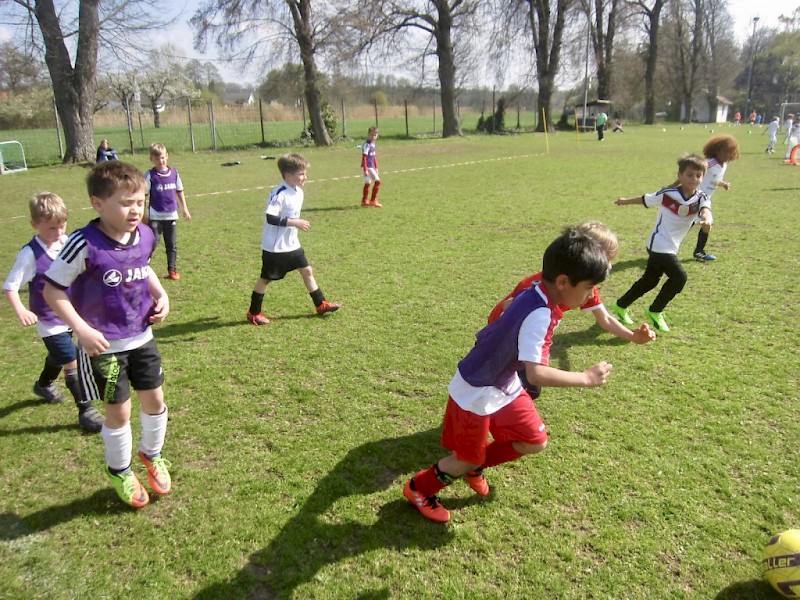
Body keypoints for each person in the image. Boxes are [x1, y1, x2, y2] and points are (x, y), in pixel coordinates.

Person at [403, 226, 614, 523]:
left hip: (503, 384)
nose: (591, 295)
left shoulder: (536, 291)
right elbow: (536, 374)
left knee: (534, 440)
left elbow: (503, 313)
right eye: (589, 287)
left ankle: (473, 466)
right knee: (465, 458)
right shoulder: (541, 314)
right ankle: (419, 488)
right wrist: (585, 378)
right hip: (478, 391)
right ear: (564, 282)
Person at [43, 161, 173, 509]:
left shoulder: (145, 234)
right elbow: (52, 291)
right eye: (126, 203)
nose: (135, 210)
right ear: (97, 204)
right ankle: (120, 470)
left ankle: (152, 454)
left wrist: (160, 293)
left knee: (155, 401)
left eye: (140, 202)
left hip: (142, 338)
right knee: (120, 413)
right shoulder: (83, 244)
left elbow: (144, 267)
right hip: (104, 348)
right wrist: (82, 330)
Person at [487, 222, 655, 398]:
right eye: (607, 259)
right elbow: (509, 308)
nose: (610, 266)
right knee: (518, 386)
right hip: (503, 336)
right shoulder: (539, 288)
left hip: (528, 336)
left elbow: (604, 319)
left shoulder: (583, 286)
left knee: (530, 389)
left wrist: (633, 336)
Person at [3, 193, 104, 432]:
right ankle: (86, 410)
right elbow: (10, 286)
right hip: (49, 321)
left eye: (62, 226)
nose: (58, 233)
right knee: (72, 360)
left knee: (58, 355)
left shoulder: (66, 243)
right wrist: (21, 310)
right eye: (52, 228)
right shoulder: (30, 254)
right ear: (35, 224)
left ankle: (43, 384)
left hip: (71, 315)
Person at [610, 154, 711, 333]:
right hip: (658, 243)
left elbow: (706, 210)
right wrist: (625, 201)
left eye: (698, 175)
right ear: (680, 175)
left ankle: (620, 305)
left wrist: (707, 219)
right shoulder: (668, 194)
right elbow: (645, 199)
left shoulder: (701, 197)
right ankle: (655, 310)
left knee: (649, 281)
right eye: (689, 175)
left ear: (703, 177)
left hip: (671, 246)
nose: (694, 179)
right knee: (679, 278)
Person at [247, 153, 341, 326]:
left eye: (305, 173)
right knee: (266, 279)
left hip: (292, 244)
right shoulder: (280, 193)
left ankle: (320, 304)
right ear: (288, 176)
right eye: (301, 174)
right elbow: (270, 218)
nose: (305, 177)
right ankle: (254, 313)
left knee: (307, 271)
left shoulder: (298, 192)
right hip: (275, 246)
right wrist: (294, 222)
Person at [145, 143, 191, 281]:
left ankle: (172, 270)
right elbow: (143, 195)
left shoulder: (174, 173)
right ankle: (142, 268)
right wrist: (142, 214)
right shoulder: (150, 175)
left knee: (171, 245)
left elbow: (179, 191)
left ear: (167, 156)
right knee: (152, 243)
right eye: (157, 158)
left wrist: (185, 208)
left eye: (163, 157)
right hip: (155, 216)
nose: (161, 161)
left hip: (171, 215)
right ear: (152, 159)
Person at [692, 135, 740, 262]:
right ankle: (662, 247)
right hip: (695, 197)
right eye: (724, 152)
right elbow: (691, 171)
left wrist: (722, 184)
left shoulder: (724, 165)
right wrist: (676, 185)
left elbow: (714, 179)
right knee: (685, 225)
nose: (727, 155)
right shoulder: (709, 163)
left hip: (705, 199)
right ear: (716, 151)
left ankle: (699, 252)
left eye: (730, 152)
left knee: (707, 224)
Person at [361, 127, 382, 207]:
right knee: (378, 181)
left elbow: (374, 157)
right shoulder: (367, 145)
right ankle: (373, 200)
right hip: (368, 167)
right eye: (371, 135)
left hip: (371, 167)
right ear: (368, 135)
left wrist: (376, 167)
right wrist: (365, 169)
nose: (373, 137)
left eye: (375, 135)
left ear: (377, 136)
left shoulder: (373, 144)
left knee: (367, 183)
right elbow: (364, 157)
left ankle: (364, 201)